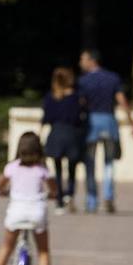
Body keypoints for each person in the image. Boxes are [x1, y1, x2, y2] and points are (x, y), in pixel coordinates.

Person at [0, 131, 57, 265]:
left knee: (6, 248)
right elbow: (54, 190)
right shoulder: (42, 170)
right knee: (43, 250)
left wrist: (2, 192)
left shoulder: (12, 168)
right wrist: (52, 194)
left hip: (16, 212)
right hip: (36, 212)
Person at [77, 49, 133, 214]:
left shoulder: (84, 81)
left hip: (91, 123)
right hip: (109, 121)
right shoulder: (113, 78)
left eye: (83, 59)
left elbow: (80, 103)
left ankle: (91, 200)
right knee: (109, 162)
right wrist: (132, 124)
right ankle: (108, 195)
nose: (81, 63)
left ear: (92, 61)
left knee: (90, 163)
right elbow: (122, 101)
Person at [42, 67, 84, 213]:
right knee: (72, 168)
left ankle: (59, 200)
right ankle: (70, 194)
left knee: (58, 169)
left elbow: (46, 118)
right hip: (71, 133)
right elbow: (79, 118)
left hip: (56, 133)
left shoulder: (50, 97)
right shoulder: (76, 98)